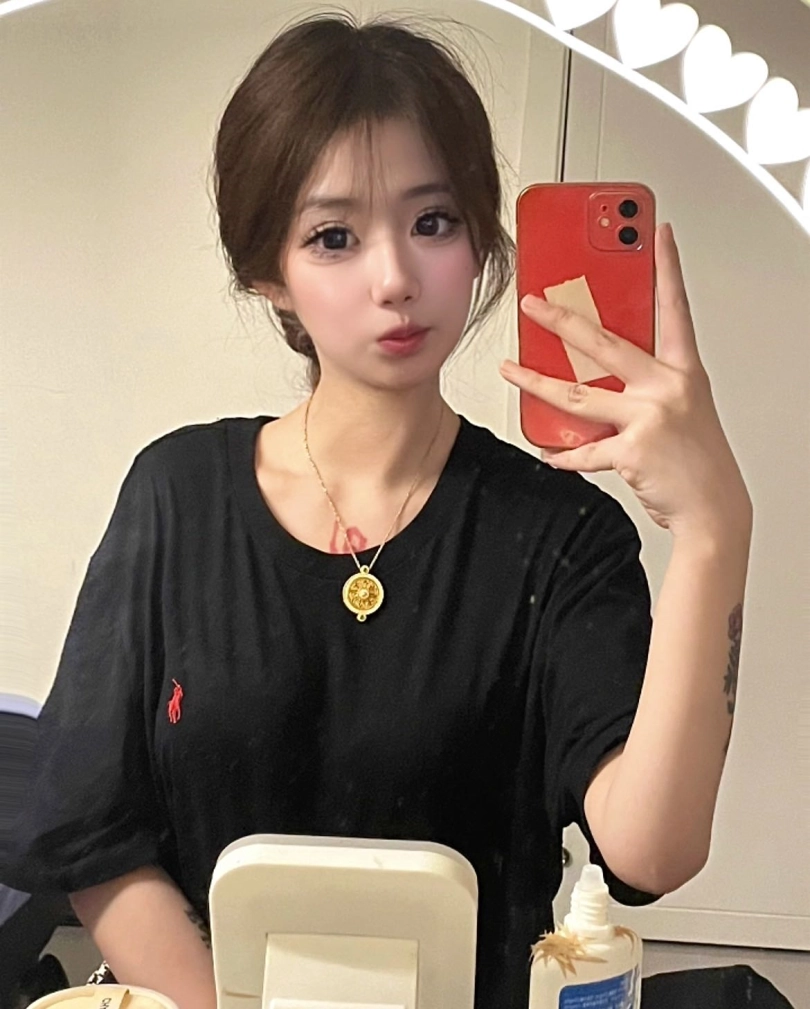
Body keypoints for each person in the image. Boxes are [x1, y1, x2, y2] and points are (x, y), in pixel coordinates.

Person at [0, 9, 753, 1009]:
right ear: (268, 270)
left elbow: (652, 848)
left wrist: (713, 530)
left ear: (480, 237)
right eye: (334, 237)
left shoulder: (562, 537)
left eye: (433, 222)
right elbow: (94, 830)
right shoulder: (177, 494)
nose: (395, 277)